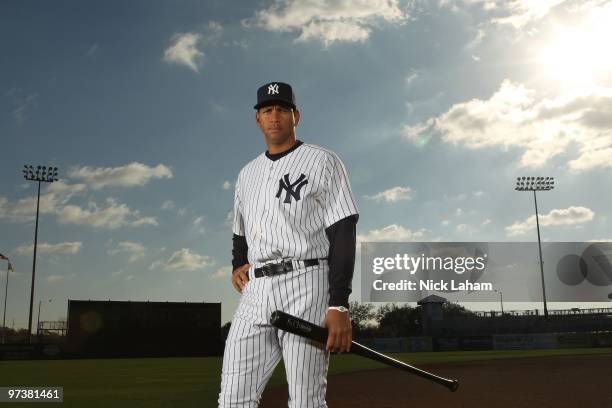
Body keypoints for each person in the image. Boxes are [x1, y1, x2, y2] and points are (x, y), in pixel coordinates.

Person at [218, 81, 359, 407]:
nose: (275, 116)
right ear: (257, 119)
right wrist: (238, 262)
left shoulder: (322, 161)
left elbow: (343, 229)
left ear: (296, 115)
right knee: (232, 400)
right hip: (255, 291)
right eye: (267, 110)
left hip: (306, 283)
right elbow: (240, 229)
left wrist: (339, 304)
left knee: (305, 401)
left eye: (282, 109)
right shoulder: (246, 174)